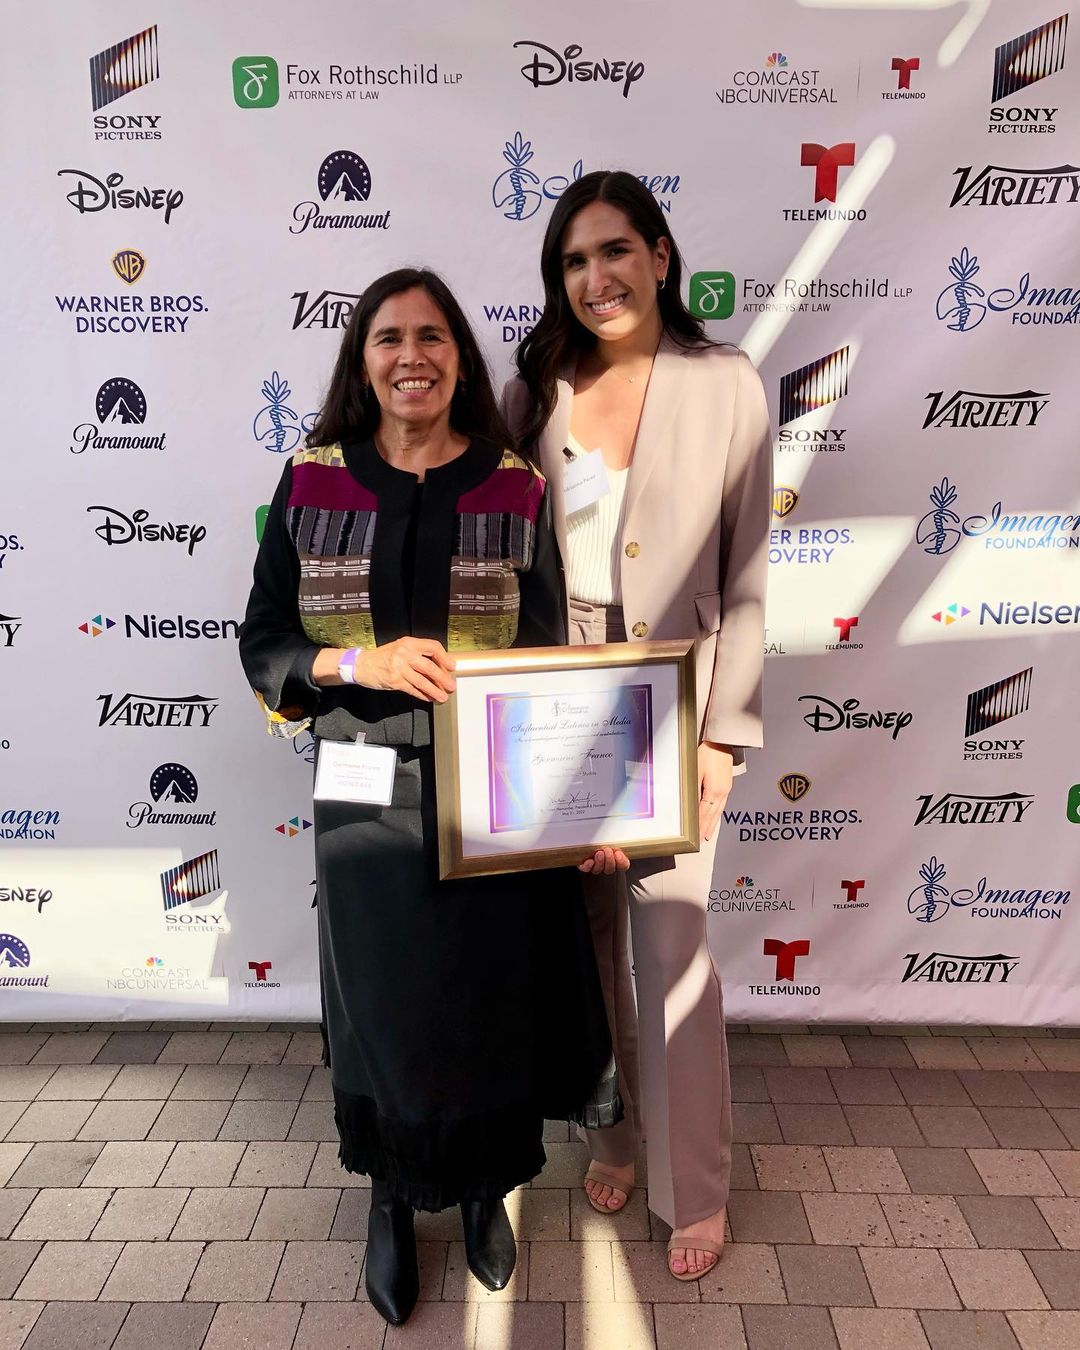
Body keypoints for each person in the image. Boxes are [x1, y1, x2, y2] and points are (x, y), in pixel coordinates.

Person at [239, 268, 618, 1326]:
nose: (412, 355)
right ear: (361, 359)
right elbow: (266, 639)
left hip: (491, 792)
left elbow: (546, 657)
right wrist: (357, 664)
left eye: (433, 336)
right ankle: (391, 1198)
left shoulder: (512, 487)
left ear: (459, 356)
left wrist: (582, 803)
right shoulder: (313, 481)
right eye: (389, 337)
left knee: (484, 997)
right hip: (363, 792)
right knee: (383, 1007)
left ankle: (487, 1189)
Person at [503, 171, 771, 1281]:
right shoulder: (533, 389)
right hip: (556, 704)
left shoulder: (726, 382)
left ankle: (693, 1187)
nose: (596, 277)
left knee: (673, 953)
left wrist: (722, 738)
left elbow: (749, 572)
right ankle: (611, 1139)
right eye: (573, 261)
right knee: (586, 954)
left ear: (661, 257)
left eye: (615, 251)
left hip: (677, 702)